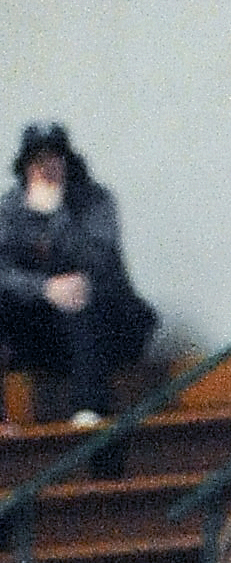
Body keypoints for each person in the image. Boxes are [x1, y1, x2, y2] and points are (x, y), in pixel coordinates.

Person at [0, 121, 153, 425]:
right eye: (38, 159)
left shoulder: (95, 201)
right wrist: (44, 287)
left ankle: (89, 407)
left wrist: (56, 215)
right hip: (39, 321)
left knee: (78, 296)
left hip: (102, 319)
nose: (46, 167)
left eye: (54, 158)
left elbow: (100, 262)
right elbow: (3, 271)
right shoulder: (11, 208)